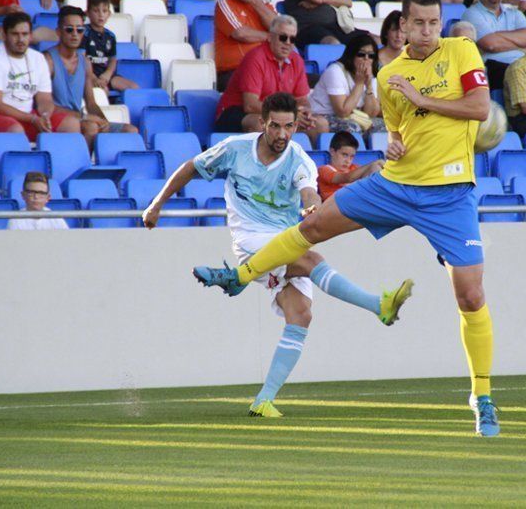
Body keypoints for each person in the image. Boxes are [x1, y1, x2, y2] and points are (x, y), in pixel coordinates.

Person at [193, 0, 502, 437]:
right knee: (313, 225)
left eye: (435, 23)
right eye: (419, 24)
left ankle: (482, 397)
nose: (428, 31)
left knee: (470, 296)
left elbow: (477, 108)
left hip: (451, 194)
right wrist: (395, 144)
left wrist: (422, 97)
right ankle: (239, 278)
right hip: (396, 184)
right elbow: (399, 133)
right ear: (402, 27)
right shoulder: (391, 73)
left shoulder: (461, 50)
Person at [143, 92, 413, 418]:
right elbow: (190, 168)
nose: (282, 134)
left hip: (285, 238)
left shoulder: (299, 159)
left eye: (288, 127)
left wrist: (312, 205)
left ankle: (263, 400)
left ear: (296, 125)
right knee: (312, 261)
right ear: (262, 124)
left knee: (301, 315)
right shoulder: (235, 149)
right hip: (250, 242)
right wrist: (156, 204)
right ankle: (377, 305)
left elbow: (308, 190)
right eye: (275, 127)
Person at [0, 13, 81, 140]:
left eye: (25, 34)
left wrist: (45, 116)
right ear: (4, 35)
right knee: (15, 130)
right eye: (15, 34)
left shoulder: (38, 58)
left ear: (31, 36)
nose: (20, 39)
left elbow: (44, 99)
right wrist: (32, 119)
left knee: (71, 124)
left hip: (26, 118)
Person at [214, 15, 328, 140]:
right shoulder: (255, 58)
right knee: (262, 124)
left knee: (320, 124)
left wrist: (304, 111)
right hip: (236, 112)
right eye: (283, 38)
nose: (287, 43)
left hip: (278, 115)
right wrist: (289, 115)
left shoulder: (297, 60)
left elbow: (301, 99)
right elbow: (250, 105)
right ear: (270, 37)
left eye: (292, 39)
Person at [44, 6, 138, 150]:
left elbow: (91, 102)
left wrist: (103, 121)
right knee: (91, 127)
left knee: (130, 131)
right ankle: (82, 166)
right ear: (59, 32)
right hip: (58, 120)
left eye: (80, 30)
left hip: (80, 118)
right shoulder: (48, 60)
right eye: (69, 29)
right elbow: (45, 105)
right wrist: (84, 117)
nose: (75, 34)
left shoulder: (85, 62)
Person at [461, 0, 526, 90]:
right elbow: (490, 45)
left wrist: (496, 36)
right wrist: (520, 45)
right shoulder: (471, 13)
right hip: (493, 68)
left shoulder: (514, 13)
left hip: (523, 65)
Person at [214, 0, 277, 90]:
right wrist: (271, 37)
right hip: (236, 70)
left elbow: (279, 29)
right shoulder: (225, 4)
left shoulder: (266, 6)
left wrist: (255, 1)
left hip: (268, 68)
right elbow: (241, 33)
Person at [309, 34, 385, 134]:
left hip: (355, 116)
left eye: (371, 56)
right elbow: (342, 112)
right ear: (351, 55)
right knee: (352, 128)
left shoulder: (371, 75)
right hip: (324, 116)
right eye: (361, 54)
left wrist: (369, 86)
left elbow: (371, 113)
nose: (366, 59)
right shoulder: (335, 71)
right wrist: (359, 84)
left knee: (384, 127)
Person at [82, 0, 138, 93]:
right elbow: (82, 58)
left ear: (109, 14)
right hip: (89, 75)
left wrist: (107, 74)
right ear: (88, 13)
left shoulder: (110, 36)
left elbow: (112, 59)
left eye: (104, 11)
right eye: (96, 11)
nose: (101, 15)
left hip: (106, 76)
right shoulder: (84, 33)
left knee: (133, 87)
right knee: (103, 91)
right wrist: (93, 78)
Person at [317, 131, 384, 201]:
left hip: (356, 202)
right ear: (332, 151)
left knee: (375, 168)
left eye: (351, 156)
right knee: (374, 166)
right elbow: (347, 178)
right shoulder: (324, 170)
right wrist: (374, 163)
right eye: (344, 155)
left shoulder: (354, 168)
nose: (348, 161)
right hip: (335, 206)